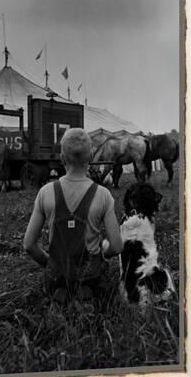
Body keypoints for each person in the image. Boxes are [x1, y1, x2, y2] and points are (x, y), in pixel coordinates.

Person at [23, 128, 123, 304]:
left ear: (62, 158)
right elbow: (116, 246)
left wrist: (50, 263)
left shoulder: (45, 193)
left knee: (56, 291)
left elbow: (29, 245)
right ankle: (86, 293)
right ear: (91, 157)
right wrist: (102, 255)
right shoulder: (103, 195)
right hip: (90, 276)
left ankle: (60, 292)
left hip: (56, 276)